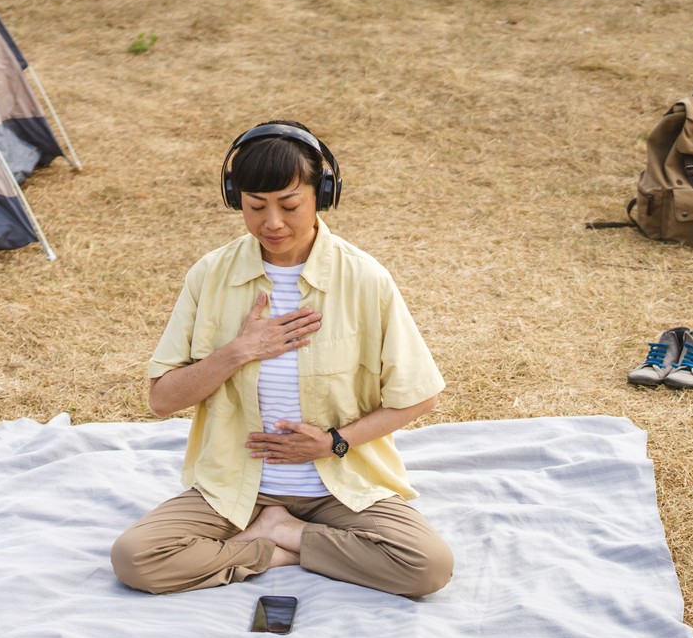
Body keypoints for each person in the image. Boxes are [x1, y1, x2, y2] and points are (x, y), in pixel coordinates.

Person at [110, 121, 453, 599]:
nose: (272, 222)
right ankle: (268, 546)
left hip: (340, 487)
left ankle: (287, 534)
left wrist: (334, 442)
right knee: (135, 558)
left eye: (289, 205)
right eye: (255, 206)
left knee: (427, 567)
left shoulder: (366, 279)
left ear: (322, 195)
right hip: (235, 490)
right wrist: (238, 351)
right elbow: (162, 400)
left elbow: (420, 396)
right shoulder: (209, 275)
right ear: (236, 198)